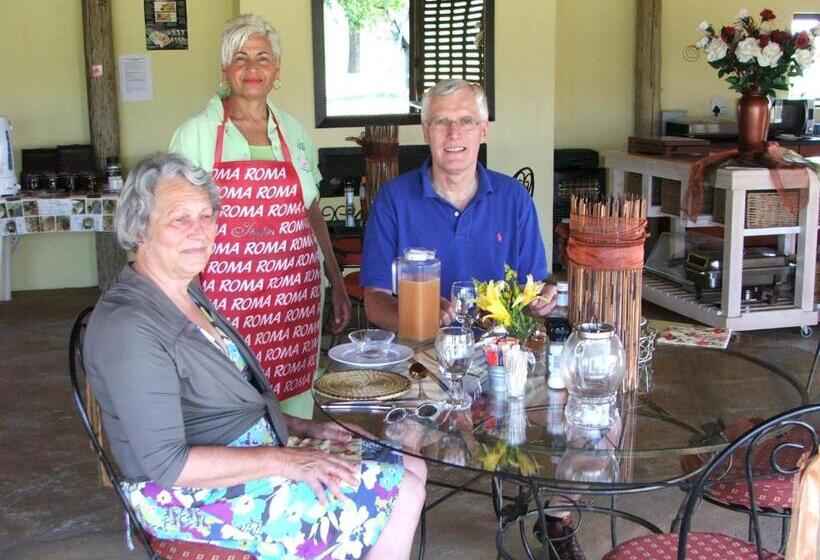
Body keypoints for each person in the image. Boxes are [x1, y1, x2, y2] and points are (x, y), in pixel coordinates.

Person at [83, 153, 427, 559]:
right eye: (179, 219)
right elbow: (169, 466)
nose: (199, 232)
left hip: (250, 453)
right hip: (191, 499)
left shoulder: (185, 291)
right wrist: (285, 461)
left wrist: (304, 427)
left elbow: (229, 400)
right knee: (401, 489)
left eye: (206, 215)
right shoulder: (129, 326)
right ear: (140, 227)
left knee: (411, 465)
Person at [170, 14, 349, 419]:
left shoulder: (295, 131)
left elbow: (312, 209)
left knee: (295, 412)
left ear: (277, 69)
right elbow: (177, 227)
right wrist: (192, 309)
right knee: (233, 409)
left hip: (293, 304)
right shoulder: (195, 135)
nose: (252, 69)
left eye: (263, 58)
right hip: (225, 306)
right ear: (224, 69)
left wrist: (336, 281)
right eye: (240, 58)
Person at [360, 79, 557, 330]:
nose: (454, 133)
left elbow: (532, 288)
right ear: (425, 132)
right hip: (419, 357)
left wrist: (543, 298)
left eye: (466, 120)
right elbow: (376, 300)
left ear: (483, 130)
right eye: (441, 121)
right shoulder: (393, 200)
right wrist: (419, 319)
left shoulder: (514, 199)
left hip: (498, 356)